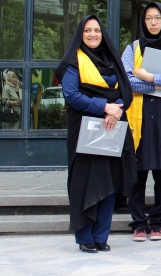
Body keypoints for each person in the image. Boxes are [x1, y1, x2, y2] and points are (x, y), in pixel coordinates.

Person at [57, 16, 137, 253]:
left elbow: (127, 91)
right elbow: (72, 95)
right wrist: (104, 107)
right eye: (87, 31)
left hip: (112, 127)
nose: (93, 34)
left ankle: (101, 236)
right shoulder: (74, 62)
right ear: (80, 34)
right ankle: (85, 237)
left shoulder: (113, 60)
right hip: (84, 132)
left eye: (97, 30)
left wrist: (115, 110)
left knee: (109, 183)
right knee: (86, 183)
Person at [121, 2, 161, 242]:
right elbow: (127, 82)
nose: (153, 23)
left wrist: (147, 76)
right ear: (143, 21)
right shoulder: (132, 49)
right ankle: (138, 222)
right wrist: (159, 83)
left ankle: (159, 221)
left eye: (157, 18)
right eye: (148, 18)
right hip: (137, 122)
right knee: (136, 175)